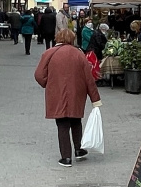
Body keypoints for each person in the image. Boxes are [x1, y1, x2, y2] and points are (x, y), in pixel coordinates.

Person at [34, 28, 102, 167]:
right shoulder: (78, 54)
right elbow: (89, 78)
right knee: (76, 120)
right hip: (77, 92)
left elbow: (39, 75)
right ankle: (78, 150)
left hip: (57, 92)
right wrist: (95, 99)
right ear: (72, 39)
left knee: (62, 124)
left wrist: (48, 84)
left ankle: (66, 158)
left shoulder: (49, 53)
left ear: (57, 38)